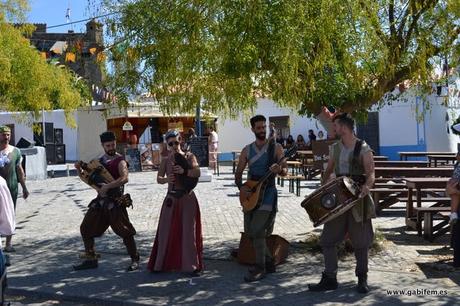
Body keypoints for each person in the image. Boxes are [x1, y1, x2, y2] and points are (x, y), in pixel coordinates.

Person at [308, 113, 375, 294]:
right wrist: (324, 189)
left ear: (344, 127)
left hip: (358, 200)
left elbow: (371, 174)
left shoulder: (363, 148)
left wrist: (366, 188)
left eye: (335, 126)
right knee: (328, 240)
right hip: (338, 200)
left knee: (361, 242)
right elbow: (328, 170)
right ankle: (330, 278)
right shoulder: (335, 148)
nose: (333, 129)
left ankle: (362, 278)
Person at [73, 131, 140, 271]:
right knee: (85, 228)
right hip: (100, 202)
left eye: (112, 144)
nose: (111, 147)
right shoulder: (99, 162)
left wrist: (108, 186)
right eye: (108, 145)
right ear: (103, 146)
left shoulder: (120, 160)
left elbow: (125, 178)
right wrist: (79, 170)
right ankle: (91, 260)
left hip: (116, 202)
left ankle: (135, 259)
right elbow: (88, 179)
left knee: (125, 231)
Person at [235, 115, 288, 282]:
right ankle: (270, 261)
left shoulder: (276, 147)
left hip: (268, 194)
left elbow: (285, 171)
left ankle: (260, 267)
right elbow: (238, 174)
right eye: (258, 128)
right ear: (252, 129)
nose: (262, 130)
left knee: (258, 230)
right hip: (251, 193)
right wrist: (242, 188)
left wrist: (278, 169)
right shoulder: (247, 150)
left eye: (263, 127)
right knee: (250, 233)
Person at [147, 130, 203, 275]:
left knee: (188, 231)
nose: (174, 146)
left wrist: (185, 171)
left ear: (181, 141)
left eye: (176, 142)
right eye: (170, 143)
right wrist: (166, 180)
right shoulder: (165, 159)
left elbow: (197, 172)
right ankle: (160, 264)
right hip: (171, 198)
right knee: (165, 231)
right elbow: (159, 178)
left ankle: (192, 266)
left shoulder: (189, 156)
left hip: (187, 197)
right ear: (167, 144)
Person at [0, 125, 29, 252]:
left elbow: (19, 170)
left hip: (11, 187)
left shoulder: (15, 151)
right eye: (3, 134)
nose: (6, 137)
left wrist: (24, 187)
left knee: (10, 213)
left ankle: (8, 243)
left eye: (8, 135)